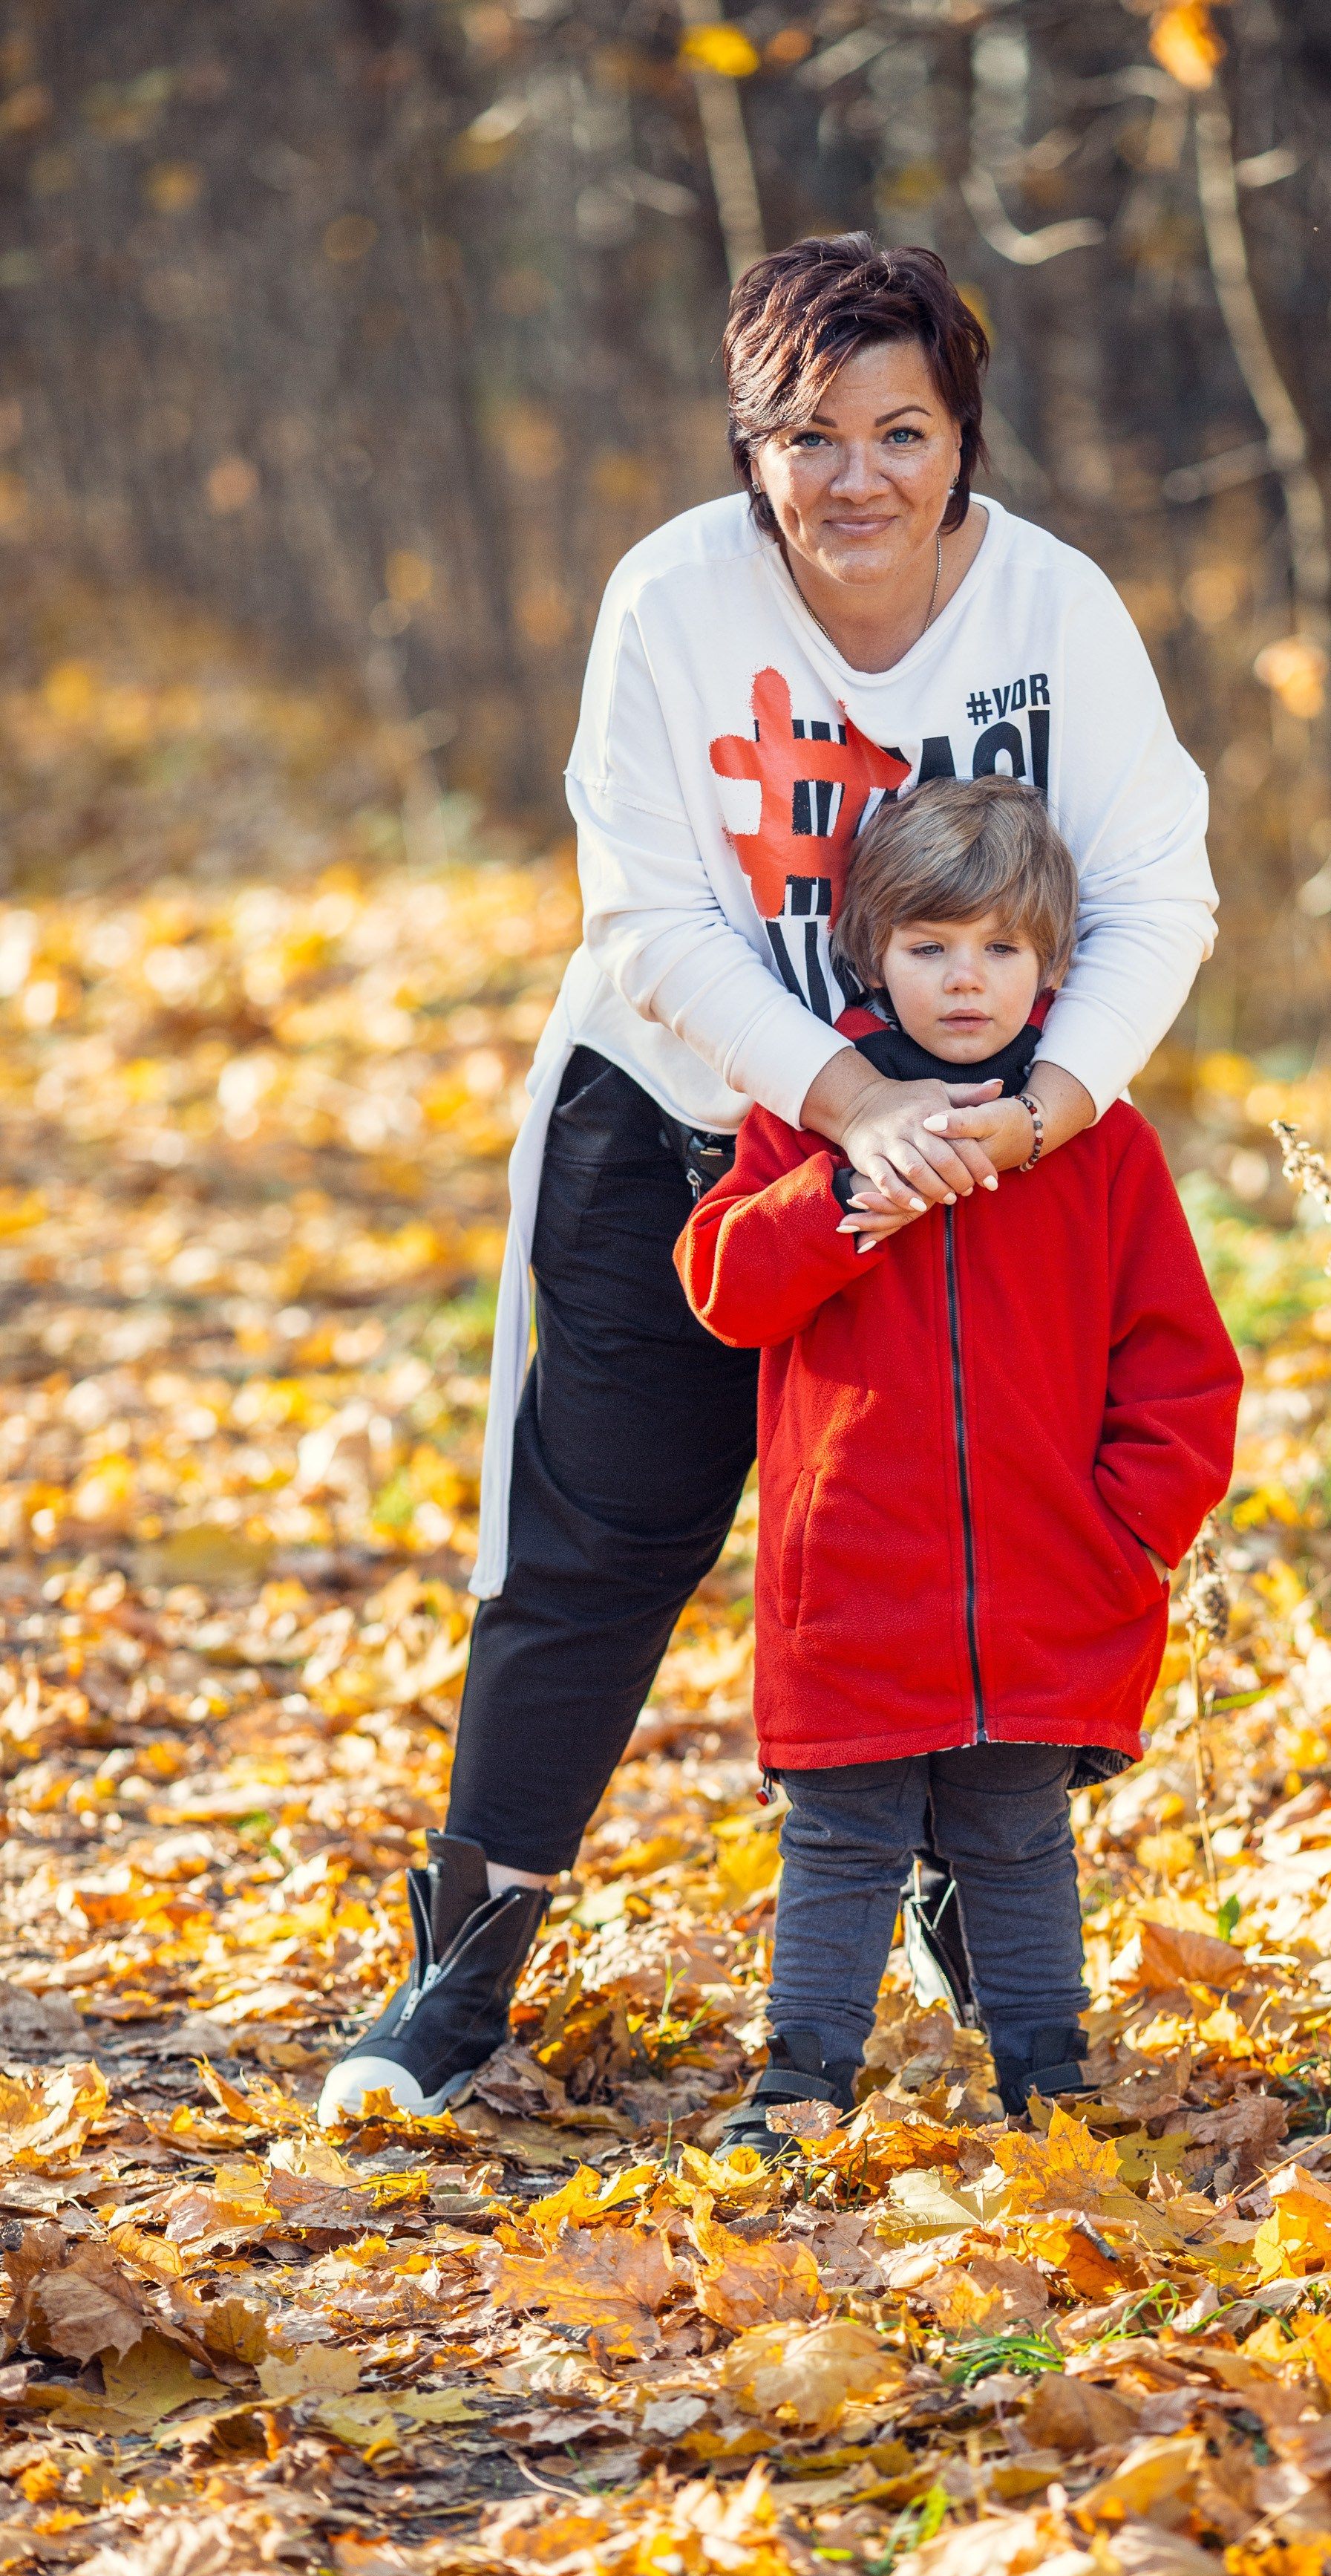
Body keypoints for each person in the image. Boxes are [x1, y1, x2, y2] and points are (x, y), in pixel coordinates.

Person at [318, 232, 1217, 2127]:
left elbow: (1159, 896)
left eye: (903, 429)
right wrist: (838, 1101)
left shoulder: (1058, 612)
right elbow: (645, 916)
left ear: (964, 434)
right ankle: (459, 1976)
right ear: (749, 446)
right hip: (685, 1123)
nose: (859, 476)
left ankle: (987, 1924)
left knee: (988, 1528)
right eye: (809, 435)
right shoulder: (673, 601)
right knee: (598, 1547)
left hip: (994, 1160)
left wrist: (1037, 1112)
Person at [674, 777, 1242, 2155]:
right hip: (852, 1577)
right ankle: (801, 2085)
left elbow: (1182, 1369)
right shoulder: (804, 1120)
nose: (966, 980)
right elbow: (724, 1286)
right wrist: (842, 1194)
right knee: (841, 1841)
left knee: (1016, 1840)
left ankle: (1049, 2085)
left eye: (1000, 949)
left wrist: (1128, 1533)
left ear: (1051, 965)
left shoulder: (1097, 1143)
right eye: (930, 948)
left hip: (1052, 1578)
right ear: (872, 957)